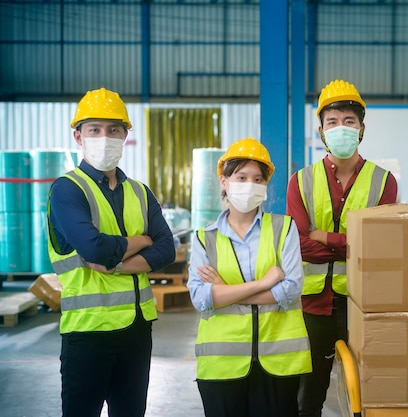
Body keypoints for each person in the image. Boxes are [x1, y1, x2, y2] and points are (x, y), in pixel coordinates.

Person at [47, 87, 177, 417]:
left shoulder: (139, 191)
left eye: (114, 129)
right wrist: (142, 240)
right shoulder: (67, 189)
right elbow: (94, 247)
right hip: (88, 332)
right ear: (78, 136)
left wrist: (117, 264)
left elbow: (166, 249)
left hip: (137, 331)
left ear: (125, 135)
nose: (105, 137)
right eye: (95, 130)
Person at [286, 79, 398, 417]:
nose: (341, 128)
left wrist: (325, 237)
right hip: (312, 304)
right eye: (332, 122)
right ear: (321, 130)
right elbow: (299, 245)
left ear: (361, 128)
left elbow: (381, 246)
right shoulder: (301, 180)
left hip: (362, 302)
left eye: (349, 121)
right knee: (309, 394)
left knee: (366, 389)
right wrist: (349, 244)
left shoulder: (384, 181)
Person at [187, 137, 311, 417]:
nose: (249, 185)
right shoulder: (204, 238)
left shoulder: (283, 228)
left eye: (258, 179)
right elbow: (201, 298)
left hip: (278, 363)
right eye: (241, 177)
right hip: (221, 366)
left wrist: (226, 292)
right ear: (224, 181)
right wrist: (264, 284)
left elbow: (291, 290)